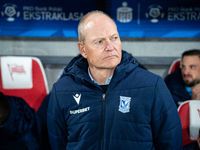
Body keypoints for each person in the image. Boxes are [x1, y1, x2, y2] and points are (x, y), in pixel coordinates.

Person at [47, 10, 182, 150]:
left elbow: (171, 143)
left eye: (114, 38)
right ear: (83, 49)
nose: (110, 47)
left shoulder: (152, 85)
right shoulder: (62, 91)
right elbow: (58, 144)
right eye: (99, 41)